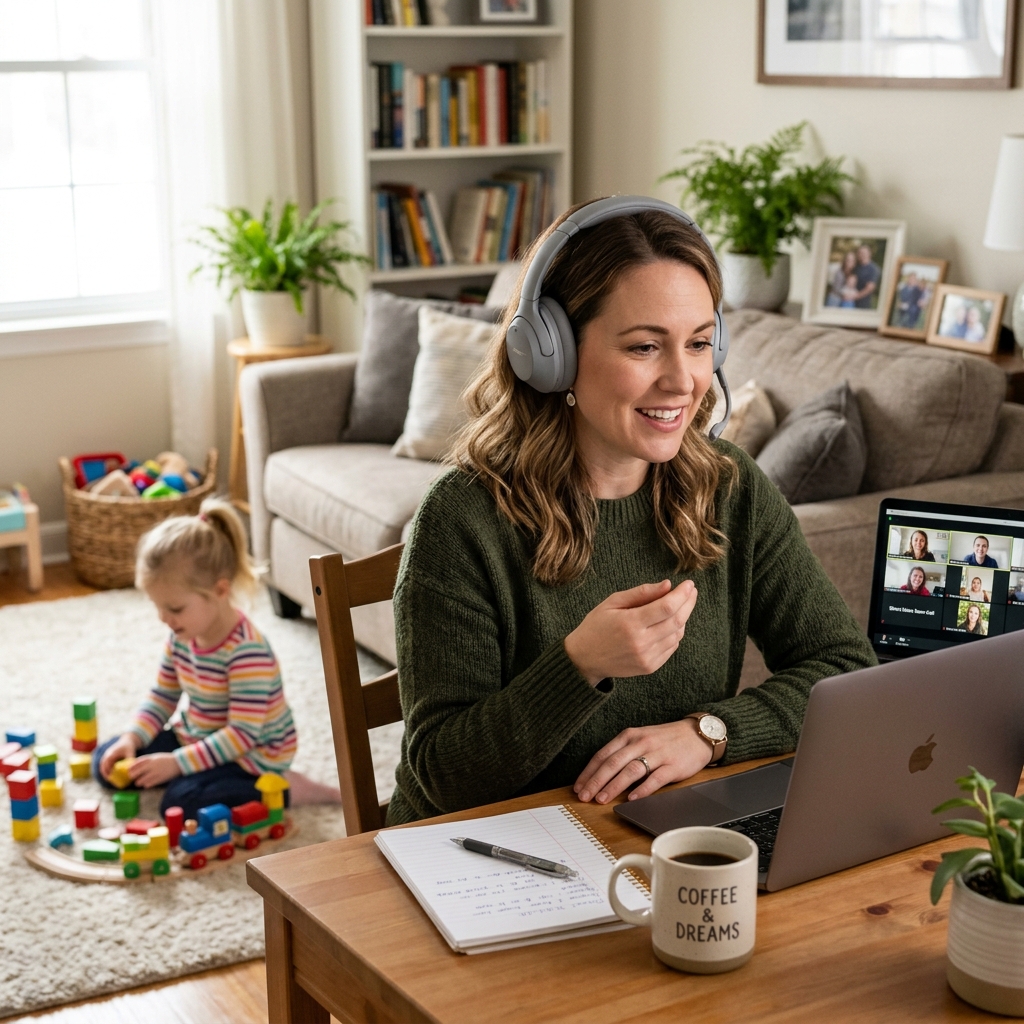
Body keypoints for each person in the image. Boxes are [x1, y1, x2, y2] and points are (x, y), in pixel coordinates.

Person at [385, 198, 878, 825]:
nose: (683, 381)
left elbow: (842, 668)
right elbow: (444, 776)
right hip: (485, 855)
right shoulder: (462, 521)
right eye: (645, 347)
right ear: (551, 352)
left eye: (699, 343)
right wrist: (579, 665)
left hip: (656, 837)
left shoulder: (729, 487)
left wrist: (709, 732)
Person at [93, 498, 341, 818]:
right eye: (159, 607)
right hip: (198, 735)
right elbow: (163, 695)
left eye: (175, 609)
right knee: (107, 762)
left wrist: (175, 764)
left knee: (179, 804)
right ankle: (185, 770)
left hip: (249, 756)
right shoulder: (181, 634)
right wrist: (132, 737)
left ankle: (287, 787)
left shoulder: (247, 652)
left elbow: (241, 735)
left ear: (220, 591)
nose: (164, 619)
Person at [853, 244, 881, 309]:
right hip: (851, 302)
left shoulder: (874, 269)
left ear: (869, 254)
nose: (862, 255)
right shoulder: (856, 267)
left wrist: (855, 297)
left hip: (863, 303)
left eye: (864, 253)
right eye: (860, 253)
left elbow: (870, 288)